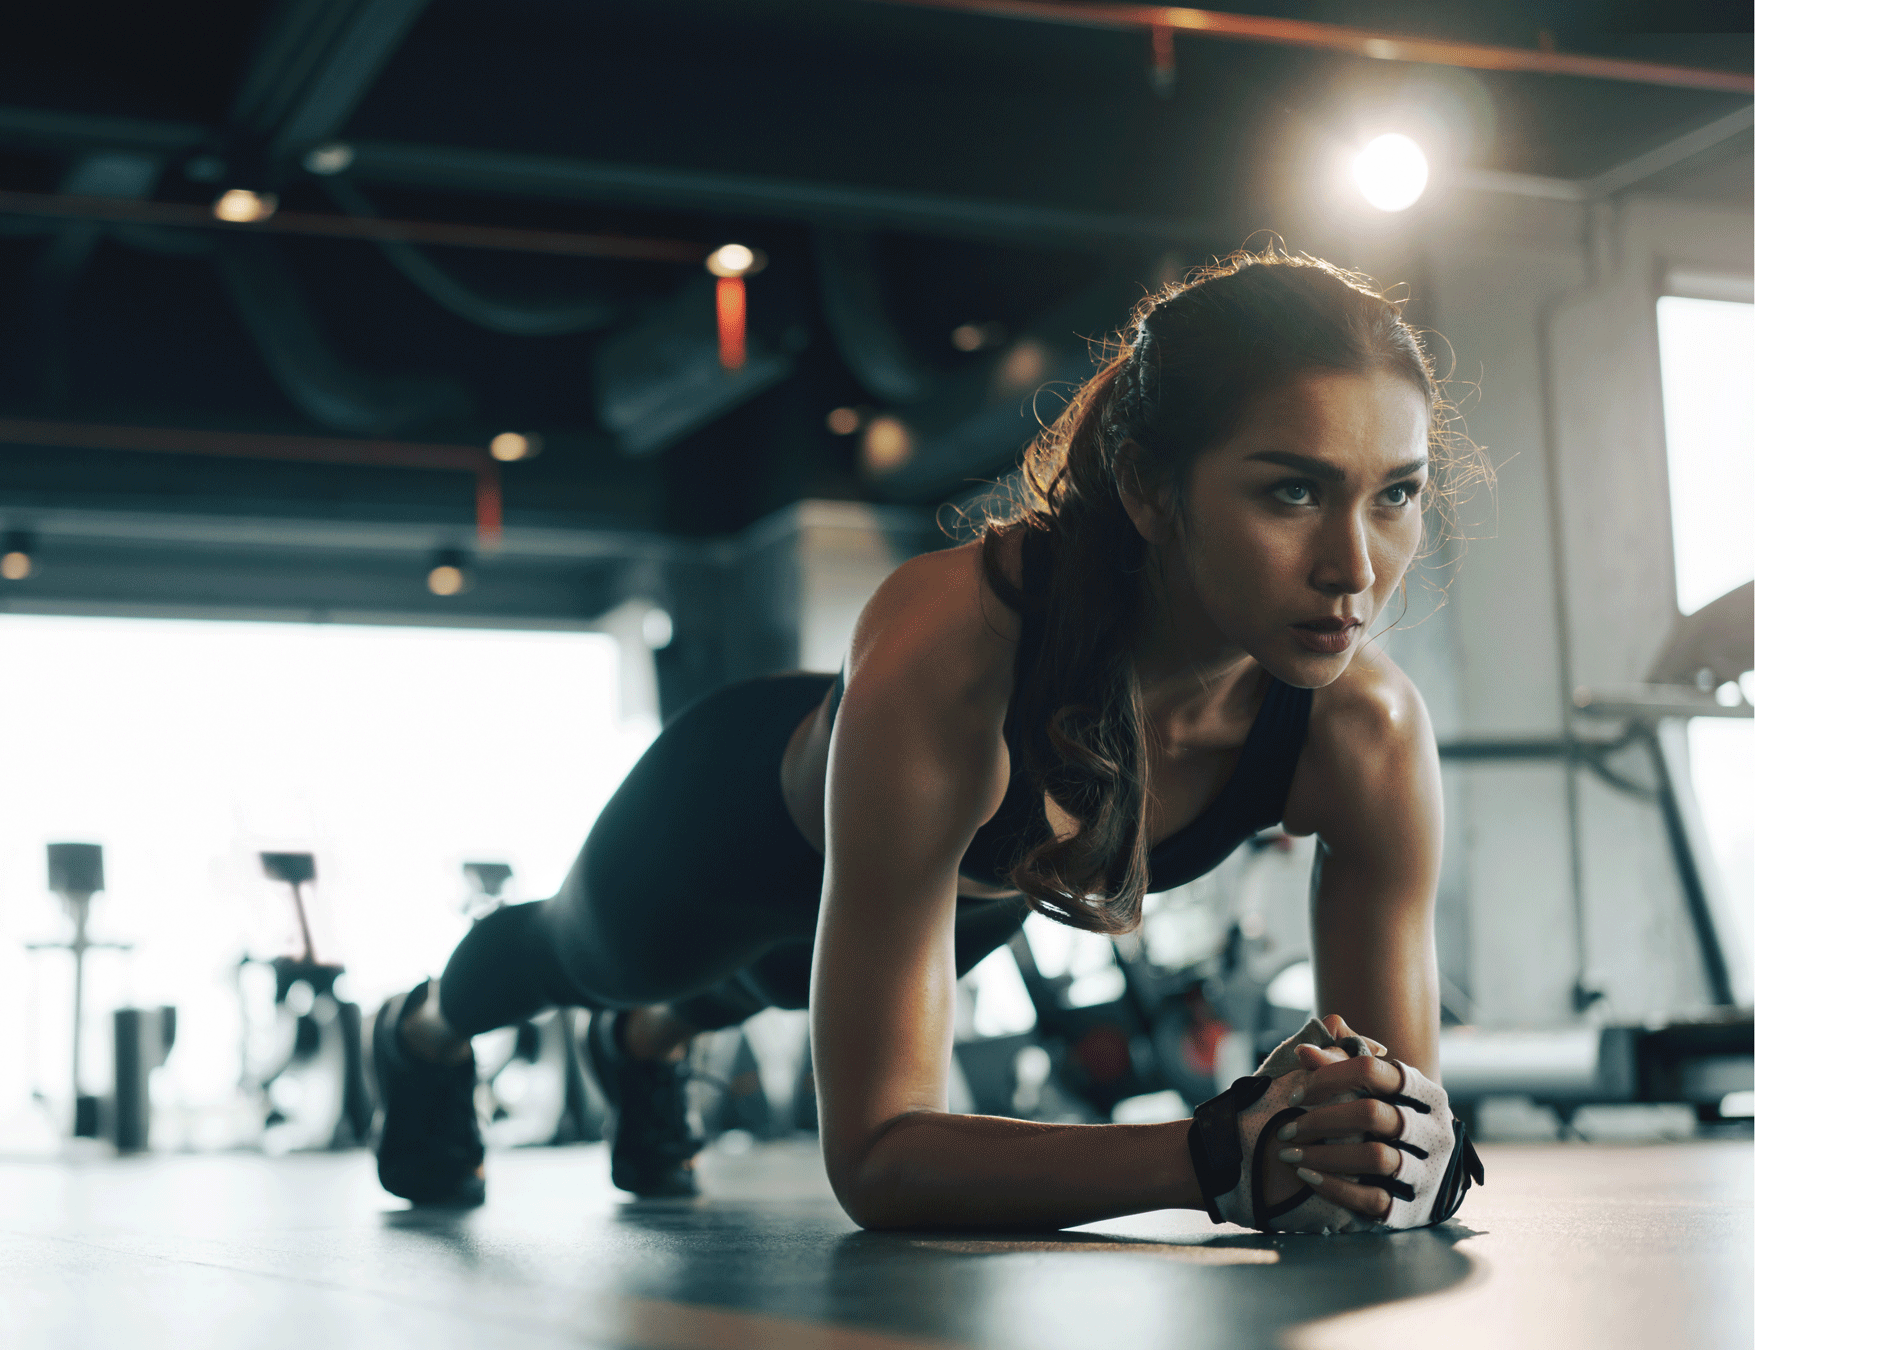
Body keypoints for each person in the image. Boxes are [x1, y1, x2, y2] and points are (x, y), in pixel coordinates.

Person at [370, 249, 1488, 1231]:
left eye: (1395, 496)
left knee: (763, 989)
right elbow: (878, 1158)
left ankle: (650, 1048)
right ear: (1150, 488)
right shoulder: (953, 653)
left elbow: (1399, 1121)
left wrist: (1388, 1148)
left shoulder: (1365, 732)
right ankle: (418, 1032)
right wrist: (1210, 1153)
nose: (1355, 567)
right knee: (586, 960)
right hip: (731, 828)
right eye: (1293, 492)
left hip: (964, 897)